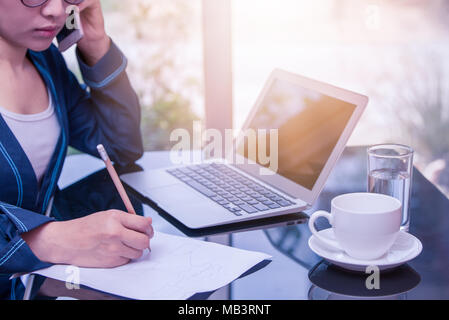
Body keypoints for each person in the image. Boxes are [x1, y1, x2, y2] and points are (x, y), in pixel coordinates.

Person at [0, 0, 154, 300]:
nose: (57, 11)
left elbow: (120, 146)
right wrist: (48, 240)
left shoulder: (46, 63)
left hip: (35, 282)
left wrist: (95, 43)